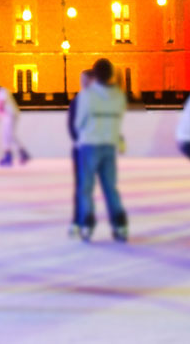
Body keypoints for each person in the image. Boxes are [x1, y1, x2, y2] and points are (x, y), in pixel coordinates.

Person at [74, 58, 128, 242]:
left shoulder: (87, 95)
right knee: (110, 187)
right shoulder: (119, 96)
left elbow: (79, 122)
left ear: (95, 75)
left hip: (90, 143)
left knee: (86, 188)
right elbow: (119, 118)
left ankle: (87, 222)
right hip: (109, 144)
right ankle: (119, 223)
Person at [66, 70, 92, 236]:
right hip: (84, 148)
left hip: (91, 148)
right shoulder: (80, 99)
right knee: (82, 187)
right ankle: (79, 221)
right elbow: (71, 124)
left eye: (86, 80)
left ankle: (84, 222)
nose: (83, 82)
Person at [0, 77, 30, 166]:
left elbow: (0, 104)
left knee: (8, 135)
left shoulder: (2, 91)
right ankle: (18, 154)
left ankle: (11, 156)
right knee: (7, 135)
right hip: (8, 116)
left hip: (10, 115)